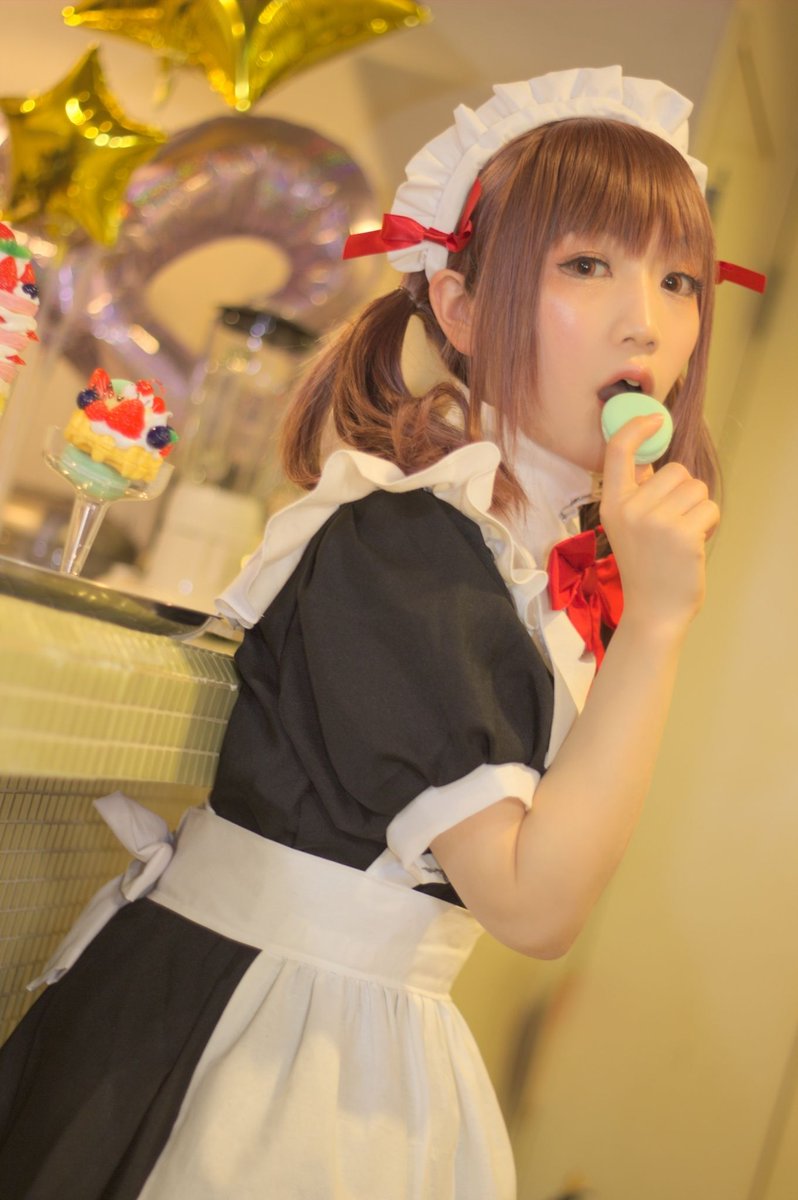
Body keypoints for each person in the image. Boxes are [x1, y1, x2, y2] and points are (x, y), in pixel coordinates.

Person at [0, 66, 764, 1200]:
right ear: (458, 307)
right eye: (586, 264)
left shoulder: (514, 563)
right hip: (253, 1054)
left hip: (349, 1044)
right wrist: (656, 626)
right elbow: (534, 903)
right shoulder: (407, 545)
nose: (644, 321)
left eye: (679, 279)